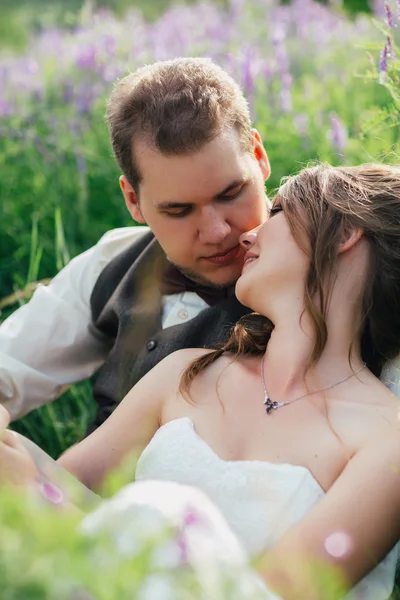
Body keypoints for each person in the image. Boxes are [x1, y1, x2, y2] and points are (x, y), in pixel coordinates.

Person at [2, 163, 400, 600]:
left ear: (345, 233)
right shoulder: (186, 373)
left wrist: (73, 511)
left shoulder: (387, 439)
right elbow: (62, 494)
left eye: (280, 211)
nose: (249, 235)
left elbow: (267, 594)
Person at [0, 57, 271, 433]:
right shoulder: (112, 262)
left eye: (232, 193)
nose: (215, 231)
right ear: (132, 200)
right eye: (178, 210)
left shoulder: (328, 263)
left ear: (258, 156)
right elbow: (10, 364)